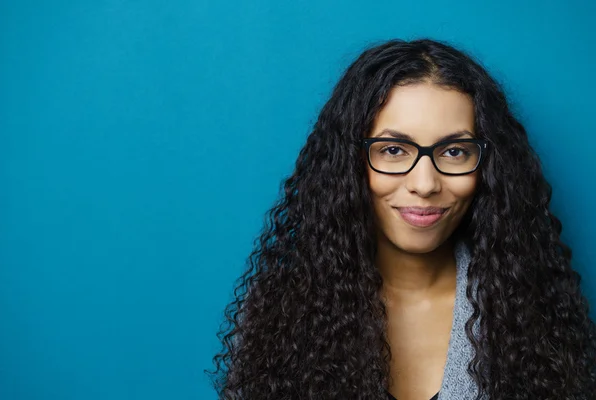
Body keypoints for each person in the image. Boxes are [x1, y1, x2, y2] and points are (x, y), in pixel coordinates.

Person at [205, 38, 596, 399]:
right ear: (350, 164)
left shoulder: (531, 309)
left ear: (489, 166)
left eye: (455, 152)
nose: (424, 184)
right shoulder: (283, 315)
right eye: (393, 150)